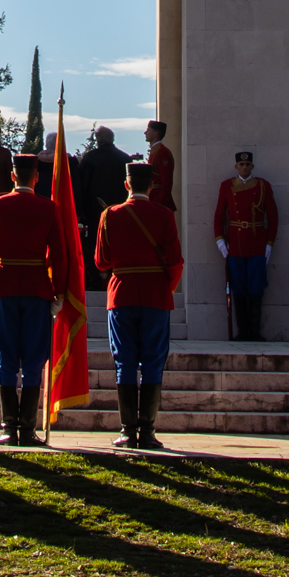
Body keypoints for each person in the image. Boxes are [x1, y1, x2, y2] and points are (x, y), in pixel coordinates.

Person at [92, 158, 184, 450]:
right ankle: (148, 431)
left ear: (126, 184)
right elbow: (176, 261)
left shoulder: (110, 215)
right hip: (156, 295)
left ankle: (127, 431)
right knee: (154, 362)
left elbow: (101, 261)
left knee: (126, 362)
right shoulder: (164, 215)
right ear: (152, 185)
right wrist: (164, 288)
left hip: (122, 295)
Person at [0, 150, 64, 445]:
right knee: (35, 359)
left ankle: (8, 427)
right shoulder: (48, 208)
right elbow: (60, 257)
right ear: (37, 178)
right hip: (38, 290)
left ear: (13, 176)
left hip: (4, 288)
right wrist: (59, 292)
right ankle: (28, 428)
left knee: (7, 358)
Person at [213, 150, 279, 342]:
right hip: (236, 243)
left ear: (252, 166)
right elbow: (219, 216)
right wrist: (219, 240)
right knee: (239, 287)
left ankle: (255, 330)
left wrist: (269, 243)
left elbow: (273, 217)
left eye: (247, 164)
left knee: (256, 288)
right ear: (236, 167)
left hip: (257, 241)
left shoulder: (263, 185)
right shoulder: (227, 186)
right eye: (241, 165)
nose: (244, 167)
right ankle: (242, 331)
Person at [75, 127, 132, 249]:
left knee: (97, 243)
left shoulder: (90, 158)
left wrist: (81, 210)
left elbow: (83, 185)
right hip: (121, 208)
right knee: (118, 242)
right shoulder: (125, 158)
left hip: (95, 211)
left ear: (98, 140)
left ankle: (96, 266)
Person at [142, 121, 178, 209]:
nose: (145, 132)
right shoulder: (155, 151)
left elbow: (166, 181)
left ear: (155, 134)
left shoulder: (162, 152)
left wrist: (161, 204)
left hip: (158, 201)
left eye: (148, 130)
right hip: (153, 200)